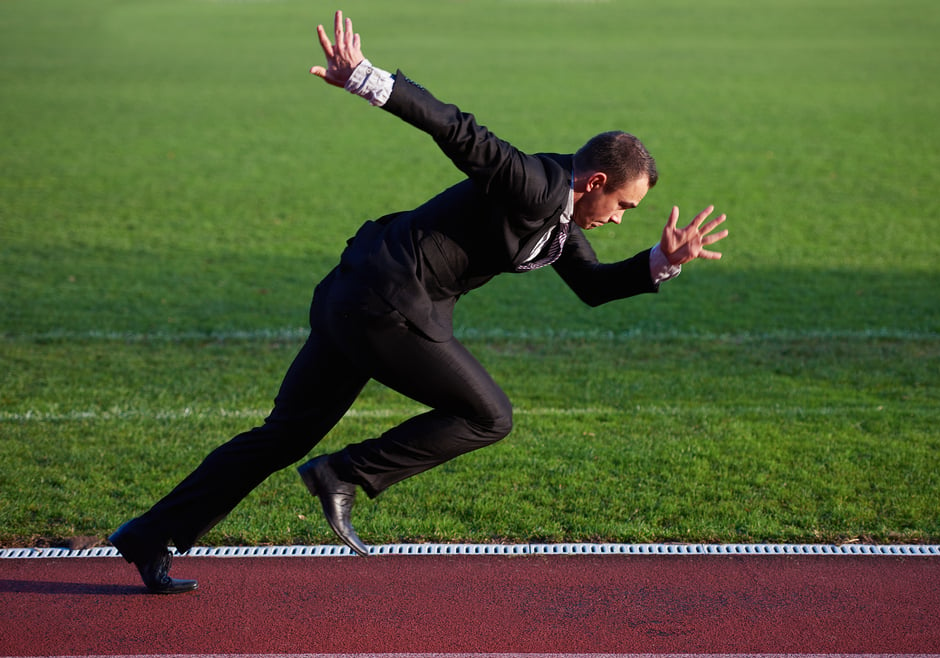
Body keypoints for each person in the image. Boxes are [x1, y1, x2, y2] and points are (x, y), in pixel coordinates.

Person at [109, 9, 728, 594]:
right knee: (490, 417)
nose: (621, 218)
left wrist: (663, 263)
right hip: (387, 304)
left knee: (282, 436)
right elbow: (459, 131)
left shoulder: (560, 221)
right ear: (595, 183)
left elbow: (593, 289)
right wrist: (367, 79)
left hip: (355, 297)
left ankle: (147, 535)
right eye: (623, 206)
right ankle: (344, 474)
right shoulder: (535, 183)